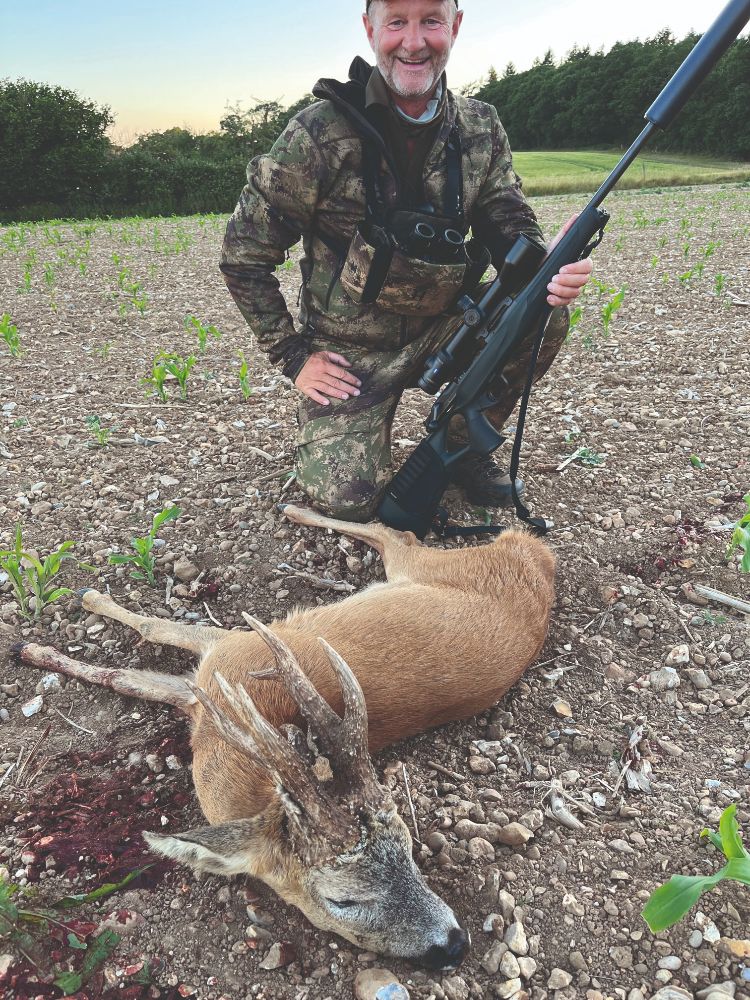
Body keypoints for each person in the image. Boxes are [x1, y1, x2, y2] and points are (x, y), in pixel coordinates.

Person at [220, 0, 593, 521]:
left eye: (431, 21)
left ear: (455, 26)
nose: (414, 42)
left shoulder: (481, 126)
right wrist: (293, 355)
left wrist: (547, 263)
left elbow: (509, 223)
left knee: (539, 311)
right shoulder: (316, 136)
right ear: (370, 28)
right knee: (349, 501)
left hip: (449, 327)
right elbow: (243, 256)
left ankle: (464, 445)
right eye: (397, 21)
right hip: (349, 356)